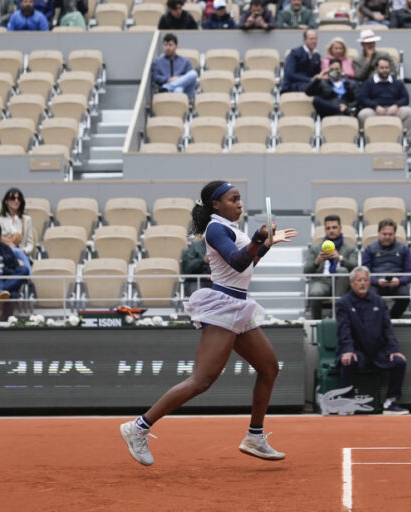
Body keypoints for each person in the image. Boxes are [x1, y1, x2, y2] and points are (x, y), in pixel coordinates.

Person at [120, 181, 298, 466]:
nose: (239, 204)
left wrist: (264, 246)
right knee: (202, 380)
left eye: (240, 199)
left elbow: (246, 265)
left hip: (238, 306)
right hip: (223, 307)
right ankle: (138, 427)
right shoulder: (216, 228)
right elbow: (237, 263)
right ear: (216, 204)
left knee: (269, 368)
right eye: (233, 199)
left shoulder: (230, 229)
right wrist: (257, 238)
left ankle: (254, 436)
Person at [335, 266, 409, 415]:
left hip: (377, 351)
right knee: (348, 361)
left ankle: (390, 402)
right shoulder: (343, 303)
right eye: (359, 280)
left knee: (399, 362)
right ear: (352, 283)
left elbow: (387, 329)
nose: (363, 283)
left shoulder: (379, 302)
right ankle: (348, 402)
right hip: (356, 351)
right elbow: (344, 331)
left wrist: (394, 350)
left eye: (366, 280)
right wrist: (348, 350)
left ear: (370, 283)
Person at [303, 215, 358, 319]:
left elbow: (355, 268)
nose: (331, 231)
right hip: (321, 281)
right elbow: (306, 271)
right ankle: (317, 324)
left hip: (342, 283)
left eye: (334, 227)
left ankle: (338, 318)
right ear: (325, 230)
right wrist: (317, 262)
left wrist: (340, 258)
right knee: (315, 293)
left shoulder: (350, 248)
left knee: (342, 271)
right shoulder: (315, 248)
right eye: (328, 228)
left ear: (340, 228)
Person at [361, 218, 411, 319]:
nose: (387, 237)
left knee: (405, 295)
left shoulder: (404, 249)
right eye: (384, 234)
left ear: (394, 234)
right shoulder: (370, 249)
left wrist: (399, 281)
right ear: (379, 233)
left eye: (390, 234)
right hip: (376, 283)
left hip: (397, 283)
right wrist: (376, 281)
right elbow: (365, 272)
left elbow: (410, 273)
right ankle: (379, 319)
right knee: (369, 295)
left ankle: (390, 318)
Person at [357, 56, 411, 146]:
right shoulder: (369, 83)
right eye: (382, 68)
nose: (384, 70)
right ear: (376, 68)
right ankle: (366, 143)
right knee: (363, 114)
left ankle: (405, 143)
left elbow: (405, 98)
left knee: (410, 113)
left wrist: (396, 106)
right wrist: (375, 106)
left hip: (394, 110)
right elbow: (362, 98)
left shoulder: (397, 83)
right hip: (375, 110)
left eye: (386, 68)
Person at [0, 187, 33, 271]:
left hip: (21, 254)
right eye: (13, 198)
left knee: (18, 254)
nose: (16, 201)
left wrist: (23, 250)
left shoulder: (27, 219)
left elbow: (30, 244)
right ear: (6, 201)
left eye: (19, 199)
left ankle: (28, 280)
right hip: (3, 253)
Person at [151, 33, 198, 98]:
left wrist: (179, 79)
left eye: (170, 45)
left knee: (194, 74)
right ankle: (170, 88)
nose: (167, 48)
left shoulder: (185, 61)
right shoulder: (158, 62)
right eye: (165, 45)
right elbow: (155, 77)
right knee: (178, 90)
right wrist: (168, 79)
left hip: (186, 91)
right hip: (168, 90)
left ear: (176, 46)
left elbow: (190, 78)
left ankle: (168, 87)